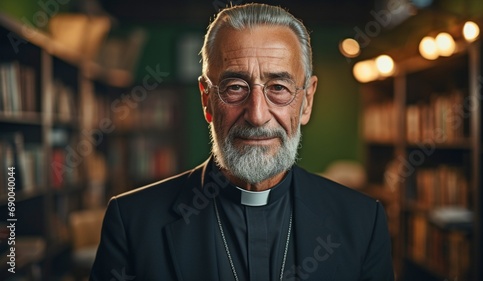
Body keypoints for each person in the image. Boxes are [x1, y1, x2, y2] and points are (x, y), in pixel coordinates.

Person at [90, 3, 394, 281]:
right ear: (207, 99)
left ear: (307, 101)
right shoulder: (132, 222)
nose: (257, 115)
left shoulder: (362, 222)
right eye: (235, 87)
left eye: (278, 87)